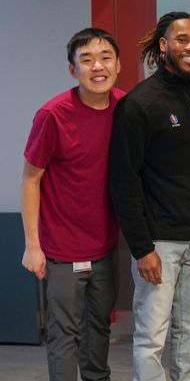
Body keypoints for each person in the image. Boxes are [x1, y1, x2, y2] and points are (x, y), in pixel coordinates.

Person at [109, 12, 190, 381]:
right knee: (151, 337)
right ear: (163, 45)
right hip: (160, 243)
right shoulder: (140, 104)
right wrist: (142, 248)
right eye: (183, 39)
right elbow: (124, 182)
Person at [21, 28, 123, 381]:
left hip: (107, 246)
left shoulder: (127, 108)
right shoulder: (53, 115)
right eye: (87, 59)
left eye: (105, 57)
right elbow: (31, 179)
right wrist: (32, 246)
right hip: (61, 250)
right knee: (63, 335)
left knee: (99, 329)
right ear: (72, 70)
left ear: (118, 64)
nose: (98, 66)